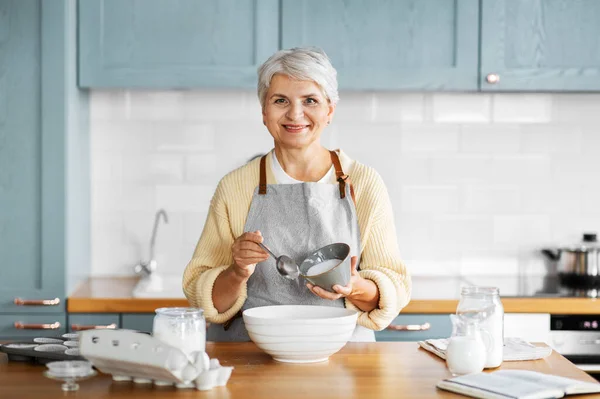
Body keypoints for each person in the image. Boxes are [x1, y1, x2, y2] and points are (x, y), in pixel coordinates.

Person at [183, 47, 411, 342]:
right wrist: (237, 271)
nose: (295, 114)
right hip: (251, 357)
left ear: (329, 110)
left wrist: (354, 286)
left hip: (342, 358)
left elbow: (392, 289)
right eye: (280, 100)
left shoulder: (364, 183)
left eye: (310, 100)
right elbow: (204, 300)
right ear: (264, 111)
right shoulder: (235, 187)